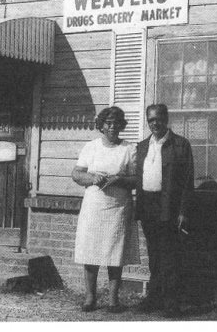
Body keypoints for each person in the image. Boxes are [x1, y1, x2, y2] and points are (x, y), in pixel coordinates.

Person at [71, 106, 139, 313]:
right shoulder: (91, 147)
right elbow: (76, 174)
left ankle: (113, 300)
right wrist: (92, 178)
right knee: (90, 251)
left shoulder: (129, 148)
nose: (112, 127)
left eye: (116, 123)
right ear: (101, 125)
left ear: (121, 126)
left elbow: (136, 179)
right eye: (108, 123)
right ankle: (90, 298)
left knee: (115, 253)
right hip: (94, 206)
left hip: (118, 207)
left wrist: (120, 179)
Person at [135, 103, 194, 318]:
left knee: (169, 256)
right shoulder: (142, 146)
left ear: (166, 119)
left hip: (168, 205)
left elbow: (188, 182)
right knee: (154, 256)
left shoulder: (180, 145)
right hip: (148, 206)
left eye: (158, 119)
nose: (154, 123)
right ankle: (154, 299)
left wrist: (183, 211)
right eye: (150, 120)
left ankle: (171, 304)